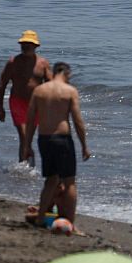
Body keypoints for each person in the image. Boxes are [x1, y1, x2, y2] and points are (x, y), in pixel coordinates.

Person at [22, 62, 90, 228]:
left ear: (54, 72)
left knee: (50, 180)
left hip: (44, 139)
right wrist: (84, 145)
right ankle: (71, 223)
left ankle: (39, 218)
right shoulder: (69, 91)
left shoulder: (40, 90)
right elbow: (78, 120)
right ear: (66, 74)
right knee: (69, 182)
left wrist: (27, 144)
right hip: (62, 139)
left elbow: (30, 120)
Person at [0, 30, 50, 161]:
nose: (25, 47)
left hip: (36, 105)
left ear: (36, 46)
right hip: (17, 102)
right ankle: (25, 163)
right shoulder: (13, 62)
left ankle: (24, 165)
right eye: (23, 44)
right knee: (23, 135)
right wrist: (0, 108)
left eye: (29, 44)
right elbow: (2, 84)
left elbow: (51, 85)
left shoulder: (43, 64)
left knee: (28, 138)